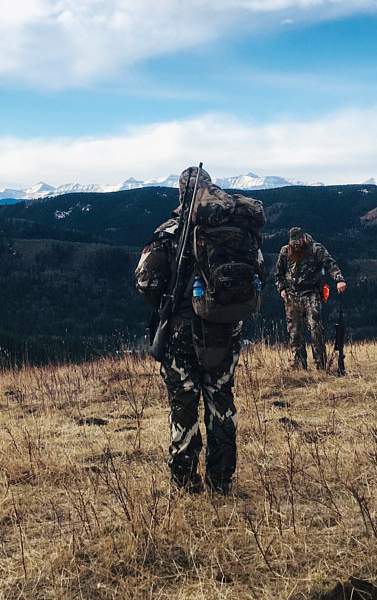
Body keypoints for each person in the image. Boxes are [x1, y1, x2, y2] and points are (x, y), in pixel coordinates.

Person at [135, 167, 253, 495]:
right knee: (221, 402)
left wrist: (171, 301)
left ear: (180, 193)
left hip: (180, 335)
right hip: (225, 330)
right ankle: (222, 481)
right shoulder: (234, 230)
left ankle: (187, 485)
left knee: (183, 405)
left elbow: (145, 282)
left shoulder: (171, 231)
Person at [274, 227, 347, 370]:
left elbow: (330, 263)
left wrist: (339, 279)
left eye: (297, 242)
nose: (295, 246)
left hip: (311, 293)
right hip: (292, 295)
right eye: (293, 243)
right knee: (295, 333)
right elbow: (279, 273)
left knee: (316, 329)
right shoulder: (285, 252)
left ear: (303, 239)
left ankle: (321, 365)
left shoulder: (316, 250)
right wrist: (282, 288)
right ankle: (299, 366)